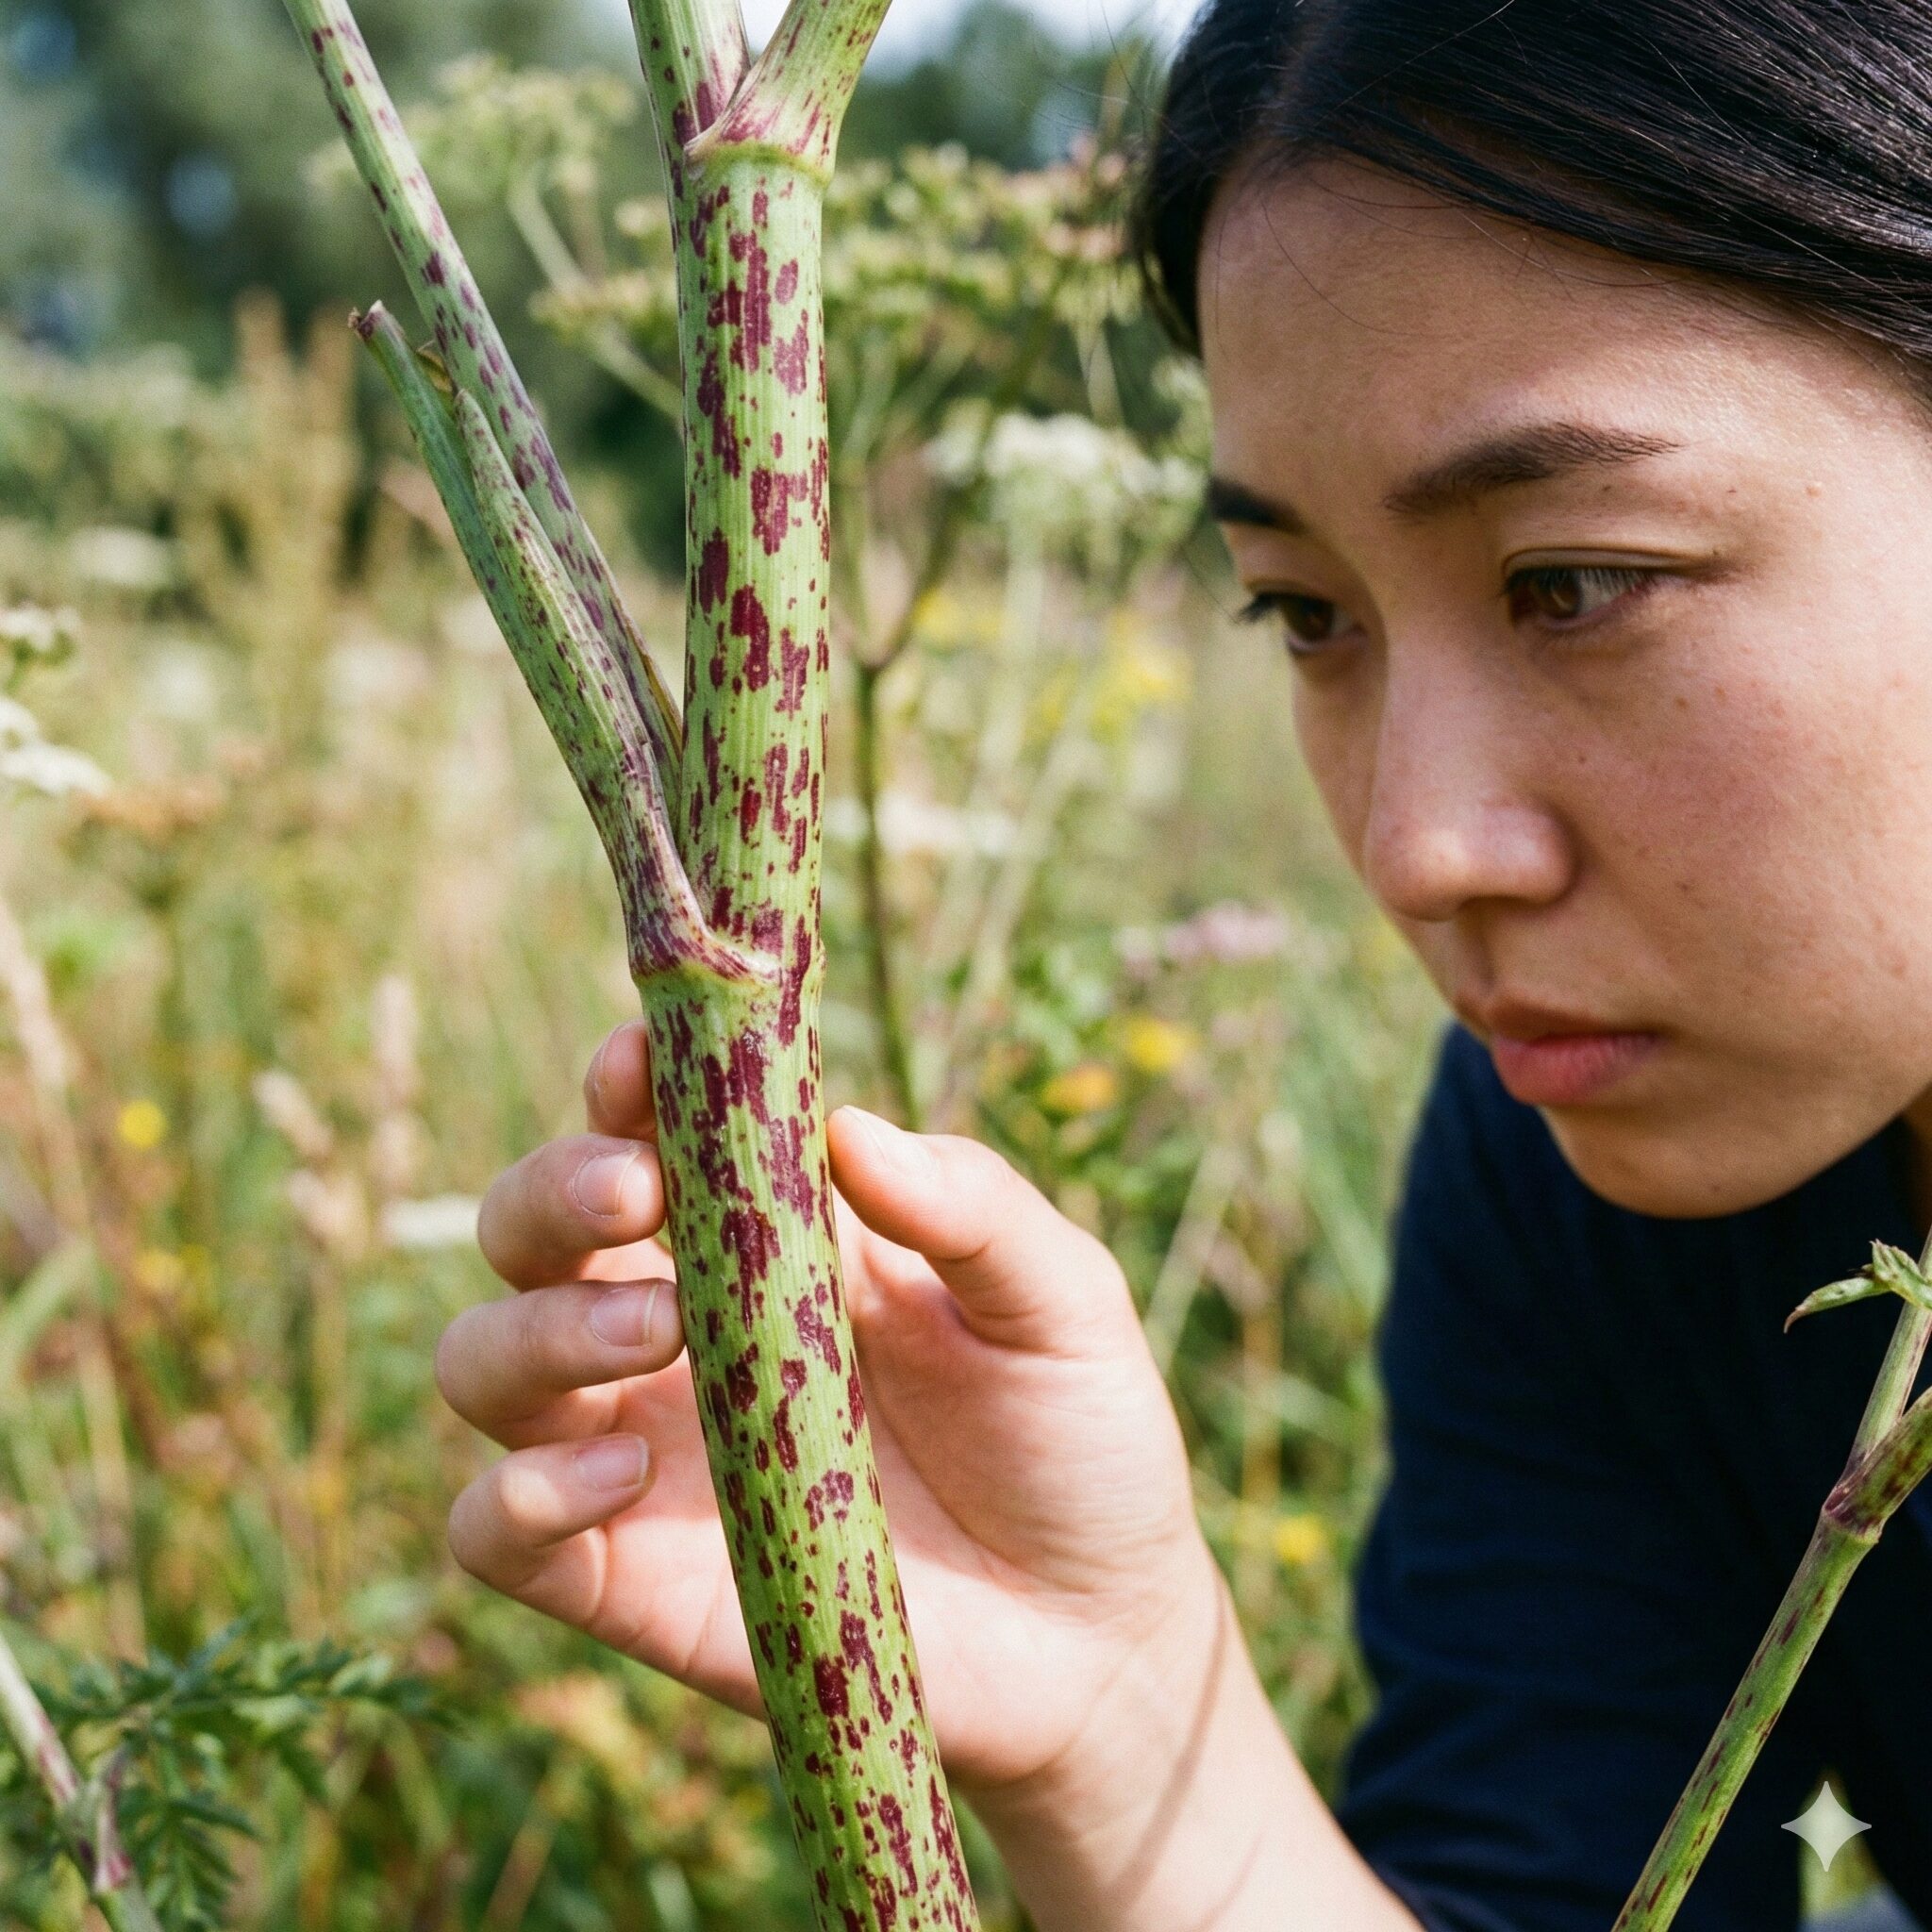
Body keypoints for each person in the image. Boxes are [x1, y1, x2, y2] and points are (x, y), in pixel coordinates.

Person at [427, 3, 1932, 1927]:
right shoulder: (1574, 1169)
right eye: (1303, 614)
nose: (1414, 848)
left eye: (1575, 581)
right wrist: (1134, 1721)